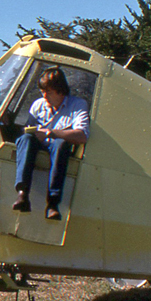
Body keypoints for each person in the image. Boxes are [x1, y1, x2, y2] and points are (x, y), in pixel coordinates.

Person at [13, 67, 89, 220]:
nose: (45, 96)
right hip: (37, 144)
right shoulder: (38, 105)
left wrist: (50, 132)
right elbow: (28, 129)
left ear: (61, 91)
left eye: (49, 92)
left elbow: (82, 135)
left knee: (60, 144)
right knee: (26, 139)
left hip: (57, 146)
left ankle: (53, 203)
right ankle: (22, 194)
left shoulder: (78, 105)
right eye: (43, 92)